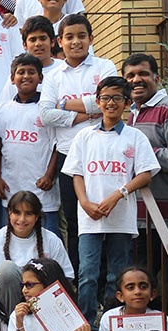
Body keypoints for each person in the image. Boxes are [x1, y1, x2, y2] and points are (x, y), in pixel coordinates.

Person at [64, 76, 160, 331]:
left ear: (127, 103)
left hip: (121, 218)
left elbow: (145, 173)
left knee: (117, 275)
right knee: (87, 274)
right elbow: (77, 174)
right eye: (105, 98)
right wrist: (84, 202)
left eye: (117, 98)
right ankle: (86, 330)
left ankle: (111, 326)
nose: (110, 103)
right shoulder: (84, 136)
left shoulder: (135, 136)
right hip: (90, 218)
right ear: (98, 101)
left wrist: (119, 194)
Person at [39, 14, 117, 271]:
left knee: (105, 219)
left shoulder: (104, 67)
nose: (75, 42)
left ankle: (106, 282)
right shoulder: (53, 76)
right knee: (74, 221)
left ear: (91, 39)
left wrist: (65, 104)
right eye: (69, 37)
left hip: (103, 153)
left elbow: (110, 99)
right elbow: (46, 114)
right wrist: (87, 114)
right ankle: (79, 279)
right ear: (59, 41)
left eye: (81, 36)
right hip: (68, 154)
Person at [124, 53, 168, 321]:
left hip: (166, 218)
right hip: (139, 219)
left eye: (143, 74)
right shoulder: (132, 114)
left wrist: (140, 156)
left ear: (157, 77)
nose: (136, 80)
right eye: (130, 76)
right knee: (145, 284)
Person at [0, 55, 59, 240]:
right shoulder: (2, 110)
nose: (26, 76)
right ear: (12, 78)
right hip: (10, 188)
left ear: (41, 78)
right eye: (21, 72)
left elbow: (57, 145)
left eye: (31, 72)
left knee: (46, 243)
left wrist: (49, 175)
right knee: (9, 242)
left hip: (42, 190)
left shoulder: (47, 110)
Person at [0, 190, 72, 310]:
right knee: (7, 269)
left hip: (44, 305)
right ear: (9, 213)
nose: (22, 219)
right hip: (7, 303)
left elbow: (65, 277)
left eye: (28, 214)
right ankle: (10, 319)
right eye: (17, 213)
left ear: (37, 217)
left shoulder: (52, 240)